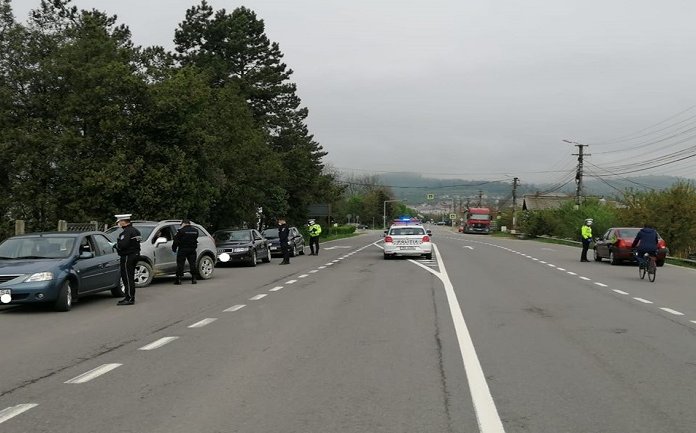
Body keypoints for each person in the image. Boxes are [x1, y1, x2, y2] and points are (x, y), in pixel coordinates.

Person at [114, 214, 141, 305]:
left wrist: (115, 245)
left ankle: (129, 298)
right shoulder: (136, 231)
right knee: (130, 277)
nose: (118, 224)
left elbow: (122, 245)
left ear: (123, 222)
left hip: (127, 257)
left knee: (127, 278)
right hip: (135, 255)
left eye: (119, 222)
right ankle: (129, 297)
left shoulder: (126, 232)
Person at [172, 219, 199, 284]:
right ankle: (194, 279)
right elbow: (195, 239)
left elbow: (176, 241)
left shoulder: (181, 231)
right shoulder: (195, 231)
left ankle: (178, 280)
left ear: (183, 223)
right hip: (192, 250)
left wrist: (174, 249)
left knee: (180, 264)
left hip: (182, 250)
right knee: (192, 264)